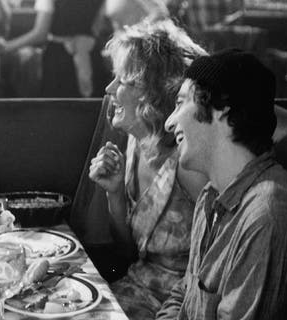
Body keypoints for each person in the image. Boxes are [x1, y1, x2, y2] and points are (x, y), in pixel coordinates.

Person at [157, 48, 287, 320]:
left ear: (221, 109)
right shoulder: (210, 195)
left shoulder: (266, 214)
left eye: (181, 103)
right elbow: (183, 295)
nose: (170, 123)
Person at [87, 20, 208, 319]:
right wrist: (114, 194)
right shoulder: (134, 141)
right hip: (132, 289)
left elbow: (217, 267)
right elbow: (130, 255)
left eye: (123, 81)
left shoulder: (190, 164)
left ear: (155, 95)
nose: (109, 88)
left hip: (179, 307)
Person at [0, 0, 104, 97]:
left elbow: (40, 33)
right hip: (91, 54)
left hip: (60, 60)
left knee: (59, 111)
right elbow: (98, 26)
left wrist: (7, 46)